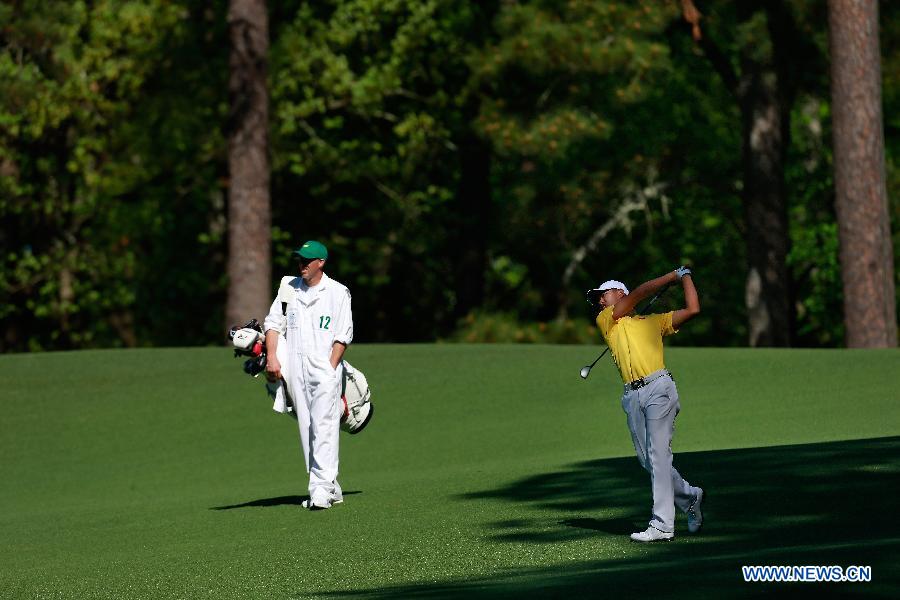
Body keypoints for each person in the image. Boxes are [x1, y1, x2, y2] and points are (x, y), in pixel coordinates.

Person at [588, 266, 704, 542]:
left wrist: (685, 277)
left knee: (658, 455)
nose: (600, 302)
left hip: (659, 388)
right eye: (599, 299)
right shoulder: (607, 320)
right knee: (648, 460)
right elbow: (640, 293)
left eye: (603, 295)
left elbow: (693, 310)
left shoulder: (655, 322)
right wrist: (671, 277)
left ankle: (663, 524)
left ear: (619, 292)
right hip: (632, 395)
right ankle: (690, 496)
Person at [263, 240, 353, 510]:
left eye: (306, 261)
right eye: (299, 260)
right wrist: (272, 356)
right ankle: (329, 486)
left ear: (321, 262)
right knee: (307, 427)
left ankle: (321, 489)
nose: (301, 265)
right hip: (296, 366)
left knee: (324, 424)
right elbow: (273, 324)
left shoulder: (338, 292)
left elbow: (343, 334)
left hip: (323, 367)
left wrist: (330, 367)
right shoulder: (289, 289)